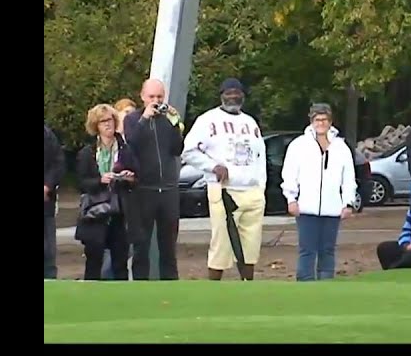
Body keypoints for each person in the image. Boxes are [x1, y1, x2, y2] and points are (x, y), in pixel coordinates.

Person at [181, 78, 267, 280]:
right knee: (222, 242)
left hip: (252, 190)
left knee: (251, 244)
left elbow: (259, 156)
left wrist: (260, 186)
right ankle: (215, 286)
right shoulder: (207, 120)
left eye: (237, 93)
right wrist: (212, 166)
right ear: (221, 95)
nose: (233, 96)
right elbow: (188, 151)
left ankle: (247, 285)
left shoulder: (250, 122)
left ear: (243, 96)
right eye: (228, 93)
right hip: (224, 190)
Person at [282, 103, 358, 281]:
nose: (321, 123)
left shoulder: (340, 147)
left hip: (332, 209)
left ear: (330, 122)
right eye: (317, 119)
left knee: (328, 250)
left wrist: (348, 202)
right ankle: (305, 285)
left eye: (324, 119)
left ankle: (326, 285)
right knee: (307, 250)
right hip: (306, 208)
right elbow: (290, 174)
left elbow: (348, 178)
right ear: (311, 121)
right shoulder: (299, 145)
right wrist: (291, 198)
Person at [121, 78, 184, 280]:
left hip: (167, 189)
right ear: (142, 97)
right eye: (151, 97)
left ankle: (170, 284)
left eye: (159, 96)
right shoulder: (132, 120)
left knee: (168, 245)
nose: (155, 101)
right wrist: (144, 119)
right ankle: (140, 283)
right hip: (144, 189)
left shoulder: (167, 120)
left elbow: (177, 149)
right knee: (142, 244)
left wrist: (176, 124)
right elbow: (131, 144)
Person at [75, 104, 133, 280]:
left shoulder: (125, 149)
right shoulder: (87, 152)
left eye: (110, 120)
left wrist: (129, 177)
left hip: (119, 209)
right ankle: (90, 298)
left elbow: (137, 174)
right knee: (93, 261)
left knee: (120, 261)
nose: (108, 125)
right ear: (96, 126)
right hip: (96, 211)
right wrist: (100, 180)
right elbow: (81, 182)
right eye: (103, 122)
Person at [44, 122, 66, 279]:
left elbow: (58, 162)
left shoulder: (47, 135)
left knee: (47, 251)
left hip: (45, 203)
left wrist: (47, 185)